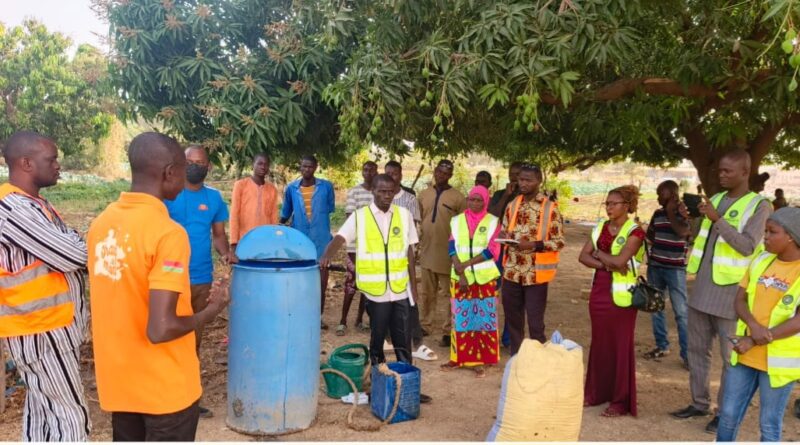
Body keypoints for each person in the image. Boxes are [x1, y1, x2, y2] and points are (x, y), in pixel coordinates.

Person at [87, 132, 229, 441]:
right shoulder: (168, 234)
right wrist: (211, 310)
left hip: (121, 387)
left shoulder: (101, 225)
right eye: (183, 166)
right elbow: (161, 329)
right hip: (165, 390)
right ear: (170, 172)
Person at [670, 149, 771, 434]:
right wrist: (690, 218)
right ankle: (698, 402)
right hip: (701, 288)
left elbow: (748, 246)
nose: (722, 175)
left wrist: (717, 219)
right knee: (697, 350)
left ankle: (723, 412)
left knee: (731, 358)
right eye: (720, 171)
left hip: (732, 294)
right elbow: (701, 238)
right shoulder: (714, 200)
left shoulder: (759, 206)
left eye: (728, 171)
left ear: (744, 173)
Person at [0, 131, 91, 441]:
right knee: (71, 416)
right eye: (50, 159)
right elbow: (76, 253)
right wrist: (77, 243)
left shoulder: (35, 205)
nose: (58, 165)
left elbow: (71, 244)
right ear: (26, 163)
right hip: (42, 331)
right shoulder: (14, 211)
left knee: (43, 413)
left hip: (47, 328)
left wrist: (74, 242)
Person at [716, 207, 800, 441]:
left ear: (792, 236)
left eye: (772, 232)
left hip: (778, 364)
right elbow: (739, 300)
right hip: (746, 355)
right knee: (728, 415)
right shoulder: (761, 259)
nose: (765, 236)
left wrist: (754, 338)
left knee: (769, 423)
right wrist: (752, 325)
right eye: (765, 231)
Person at [320, 174, 419, 366]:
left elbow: (410, 252)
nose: (387, 196)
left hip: (400, 289)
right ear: (372, 191)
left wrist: (413, 287)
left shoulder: (404, 215)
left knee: (403, 339)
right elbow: (340, 237)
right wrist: (327, 255)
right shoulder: (360, 217)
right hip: (376, 293)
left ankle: (406, 381)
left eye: (390, 192)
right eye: (382, 191)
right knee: (378, 338)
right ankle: (378, 379)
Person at [164, 145, 232, 418]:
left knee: (194, 341)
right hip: (168, 279)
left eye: (199, 162)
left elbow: (218, 235)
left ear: (208, 167)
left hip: (201, 278)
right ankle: (165, 397)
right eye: (189, 161)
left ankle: (188, 400)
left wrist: (227, 253)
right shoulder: (168, 194)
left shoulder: (214, 198)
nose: (194, 165)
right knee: (167, 337)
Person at [579, 185, 645, 418]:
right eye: (606, 203)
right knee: (600, 343)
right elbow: (583, 256)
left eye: (613, 203)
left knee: (620, 346)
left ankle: (620, 400)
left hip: (623, 297)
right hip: (599, 293)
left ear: (626, 205)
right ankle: (595, 393)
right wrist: (606, 262)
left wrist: (600, 256)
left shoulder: (635, 231)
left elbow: (621, 261)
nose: (608, 207)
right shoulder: (600, 228)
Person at [498, 164, 565, 355]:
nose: (523, 183)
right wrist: (504, 235)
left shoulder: (550, 208)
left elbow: (559, 242)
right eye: (521, 179)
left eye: (528, 180)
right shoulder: (513, 205)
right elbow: (505, 230)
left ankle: (538, 362)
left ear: (539, 181)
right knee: (513, 322)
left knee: (536, 324)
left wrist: (533, 245)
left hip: (536, 274)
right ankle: (517, 359)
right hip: (511, 272)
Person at [441, 185, 501, 377]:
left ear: (486, 202)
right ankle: (458, 357)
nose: (475, 203)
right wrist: (459, 269)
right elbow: (452, 244)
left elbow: (493, 250)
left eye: (479, 200)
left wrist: (465, 265)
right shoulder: (457, 220)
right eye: (471, 199)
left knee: (482, 320)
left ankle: (480, 360)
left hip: (484, 278)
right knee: (460, 317)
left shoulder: (493, 222)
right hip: (460, 276)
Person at [385, 161, 436, 363]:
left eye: (395, 173)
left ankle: (416, 342)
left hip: (403, 259)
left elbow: (413, 233)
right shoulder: (379, 196)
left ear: (400, 175)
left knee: (409, 301)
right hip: (382, 261)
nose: (391, 176)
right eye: (388, 173)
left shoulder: (409, 199)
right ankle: (388, 339)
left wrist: (409, 259)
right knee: (386, 300)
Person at [279, 155, 335, 328]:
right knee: (299, 280)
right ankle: (300, 315)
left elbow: (330, 208)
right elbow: (285, 213)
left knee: (321, 282)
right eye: (304, 166)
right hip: (299, 242)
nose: (307, 170)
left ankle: (317, 317)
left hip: (321, 241)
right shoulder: (291, 189)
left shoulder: (326, 187)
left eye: (310, 167)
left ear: (316, 167)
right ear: (300, 167)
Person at [418, 159, 466, 347]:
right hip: (427, 251)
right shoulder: (423, 194)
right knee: (427, 293)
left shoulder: (458, 197)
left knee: (448, 294)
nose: (442, 176)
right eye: (439, 172)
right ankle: (426, 324)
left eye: (446, 173)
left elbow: (463, 226)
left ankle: (448, 330)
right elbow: (420, 219)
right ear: (435, 171)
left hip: (448, 255)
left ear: (450, 175)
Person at [643, 180, 691, 368]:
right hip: (655, 265)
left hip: (675, 269)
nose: (657, 197)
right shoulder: (657, 213)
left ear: (672, 194)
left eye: (660, 194)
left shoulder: (684, 212)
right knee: (656, 308)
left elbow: (682, 232)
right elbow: (651, 235)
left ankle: (687, 355)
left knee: (681, 312)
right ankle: (662, 346)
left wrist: (672, 210)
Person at [337, 160, 378, 336]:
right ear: (362, 171)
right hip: (355, 247)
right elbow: (350, 217)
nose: (368, 172)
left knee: (366, 286)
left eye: (371, 169)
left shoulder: (378, 193)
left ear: (376, 172)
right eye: (365, 169)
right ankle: (342, 321)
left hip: (373, 247)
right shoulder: (354, 191)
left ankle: (359, 320)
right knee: (350, 283)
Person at [489, 161, 523, 348]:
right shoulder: (500, 194)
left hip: (518, 252)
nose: (514, 178)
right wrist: (507, 197)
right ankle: (488, 334)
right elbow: (492, 214)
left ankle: (509, 338)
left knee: (513, 297)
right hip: (498, 250)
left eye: (518, 175)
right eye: (512, 173)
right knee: (492, 292)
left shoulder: (528, 198)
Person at [230, 153, 279, 249]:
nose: (263, 167)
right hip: (244, 239)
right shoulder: (240, 185)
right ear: (253, 165)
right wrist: (233, 243)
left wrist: (274, 240)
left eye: (266, 164)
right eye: (259, 163)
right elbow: (234, 214)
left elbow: (274, 218)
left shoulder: (272, 189)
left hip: (266, 240)